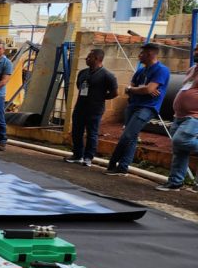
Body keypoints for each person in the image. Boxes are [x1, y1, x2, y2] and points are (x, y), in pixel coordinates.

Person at [105, 42, 171, 176]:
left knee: (127, 135)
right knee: (132, 137)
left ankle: (112, 164)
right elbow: (129, 89)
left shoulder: (161, 70)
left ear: (150, 54)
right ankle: (123, 168)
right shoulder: (141, 71)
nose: (139, 56)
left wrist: (139, 89)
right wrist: (140, 89)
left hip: (147, 108)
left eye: (142, 53)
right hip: (132, 106)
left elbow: (147, 89)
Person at [65, 48, 118, 167]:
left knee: (92, 133)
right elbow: (79, 86)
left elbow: (114, 93)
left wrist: (100, 97)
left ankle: (88, 157)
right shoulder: (83, 73)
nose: (86, 59)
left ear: (97, 59)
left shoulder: (107, 75)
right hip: (80, 107)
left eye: (89, 57)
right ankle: (77, 155)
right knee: (76, 131)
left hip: (95, 109)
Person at [156, 44, 198, 192]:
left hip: (194, 116)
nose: (196, 52)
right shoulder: (192, 69)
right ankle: (175, 182)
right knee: (179, 150)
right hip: (179, 115)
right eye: (195, 49)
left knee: (180, 141)